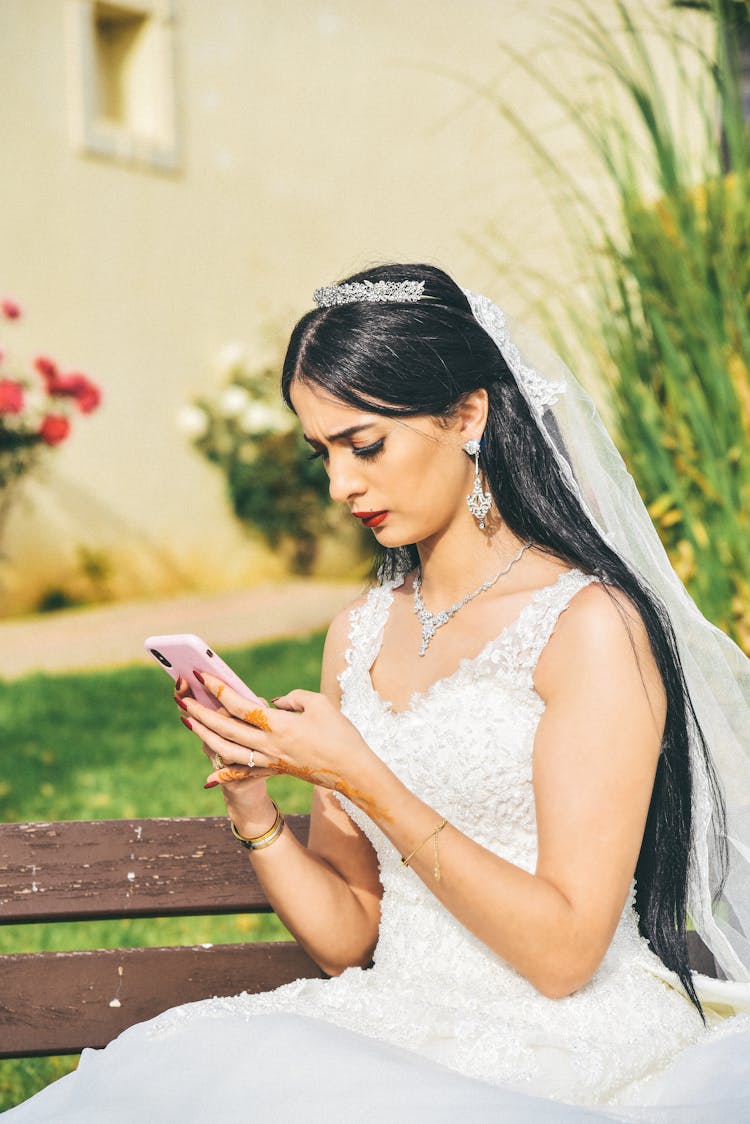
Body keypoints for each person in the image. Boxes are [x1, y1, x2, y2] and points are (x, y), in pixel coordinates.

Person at [7, 264, 750, 1123]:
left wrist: (362, 775)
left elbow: (564, 954)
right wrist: (251, 796)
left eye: (365, 445)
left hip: (561, 1041)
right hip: (395, 1020)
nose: (339, 486)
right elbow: (351, 934)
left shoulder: (588, 626)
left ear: (468, 413)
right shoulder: (355, 636)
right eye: (321, 452)